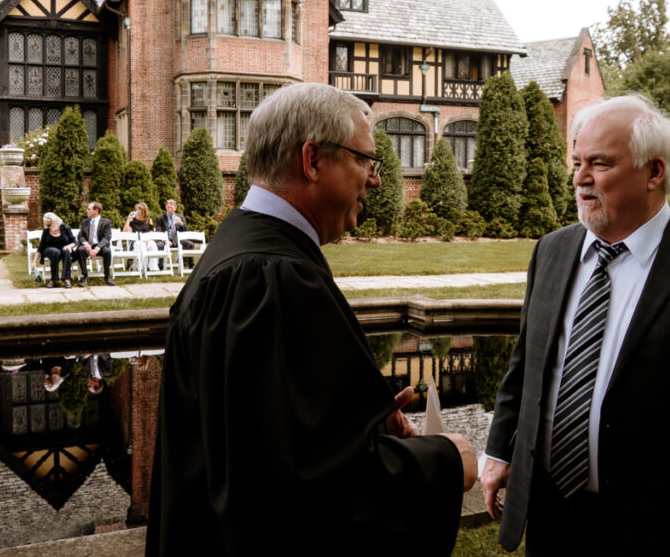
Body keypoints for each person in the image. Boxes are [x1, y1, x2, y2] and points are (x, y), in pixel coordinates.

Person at [146, 83, 477, 557]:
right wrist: (443, 460)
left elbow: (262, 445)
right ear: (313, 159)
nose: (376, 180)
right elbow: (313, 492)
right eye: (366, 159)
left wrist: (366, 425)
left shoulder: (238, 254)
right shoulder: (275, 281)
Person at [480, 95, 670, 556]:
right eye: (577, 162)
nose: (580, 179)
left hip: (666, 527)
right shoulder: (551, 250)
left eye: (600, 164)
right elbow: (526, 364)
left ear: (654, 172)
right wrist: (501, 450)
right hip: (552, 515)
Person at [74, 201, 114, 286]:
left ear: (96, 210)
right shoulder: (85, 222)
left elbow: (106, 238)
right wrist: (85, 243)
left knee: (107, 251)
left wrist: (97, 249)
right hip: (87, 246)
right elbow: (80, 235)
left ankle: (107, 277)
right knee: (80, 250)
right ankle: (85, 276)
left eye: (89, 209)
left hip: (99, 246)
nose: (86, 211)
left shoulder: (106, 222)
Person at [30, 212, 75, 288]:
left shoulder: (64, 228)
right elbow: (41, 247)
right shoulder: (46, 231)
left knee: (66, 251)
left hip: (63, 248)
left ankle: (67, 279)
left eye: (49, 225)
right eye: (45, 225)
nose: (47, 226)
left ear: (55, 223)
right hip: (49, 249)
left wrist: (70, 246)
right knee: (55, 252)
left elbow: (74, 241)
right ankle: (54, 279)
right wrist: (34, 262)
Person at [123, 201, 160, 272]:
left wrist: (148, 240)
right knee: (141, 245)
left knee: (153, 244)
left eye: (139, 209)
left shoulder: (149, 220)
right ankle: (141, 267)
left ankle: (153, 267)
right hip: (136, 241)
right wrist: (128, 219)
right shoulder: (133, 220)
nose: (137, 211)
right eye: (136, 209)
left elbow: (151, 232)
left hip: (147, 240)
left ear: (144, 211)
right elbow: (125, 231)